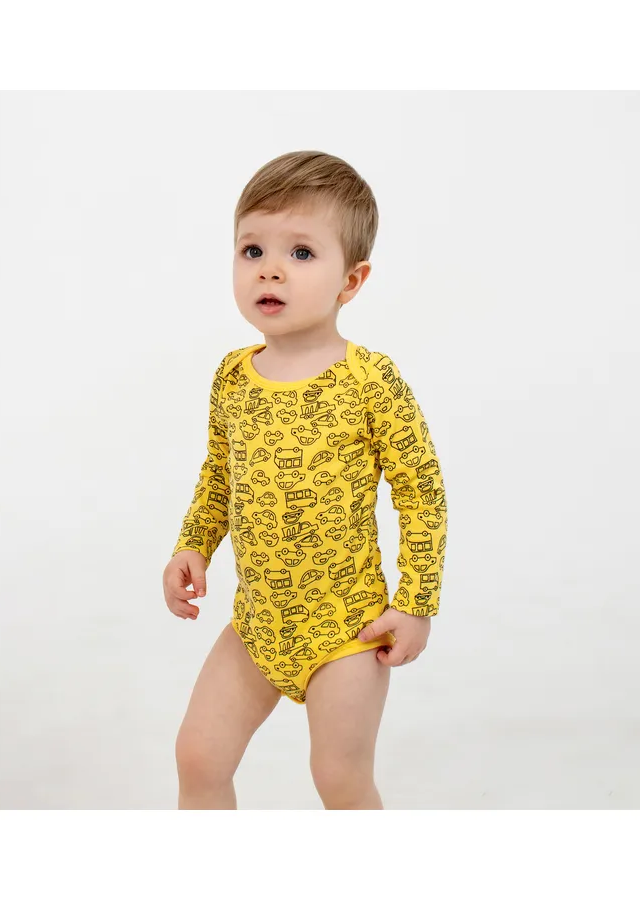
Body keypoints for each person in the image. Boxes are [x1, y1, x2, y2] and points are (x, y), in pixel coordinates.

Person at [163, 150, 448, 809]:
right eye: (252, 249)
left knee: (339, 777)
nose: (270, 268)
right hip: (257, 624)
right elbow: (219, 476)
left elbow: (421, 492)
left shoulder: (369, 380)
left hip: (348, 629)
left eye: (300, 253)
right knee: (198, 756)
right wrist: (193, 545)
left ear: (351, 280)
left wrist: (417, 602)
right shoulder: (233, 376)